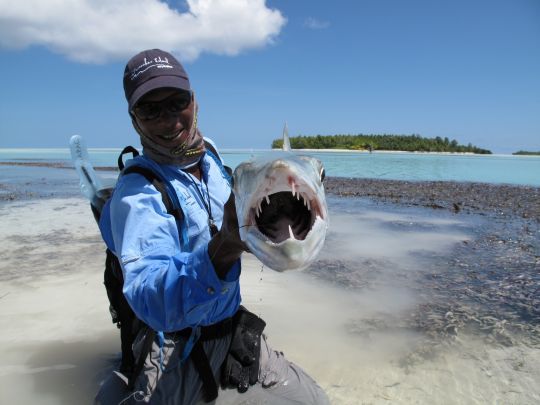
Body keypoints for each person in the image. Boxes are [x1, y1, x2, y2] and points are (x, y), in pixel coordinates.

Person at [95, 49, 330, 405]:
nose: (168, 118)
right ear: (134, 120)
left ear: (195, 102)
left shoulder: (212, 155)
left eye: (177, 102)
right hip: (171, 346)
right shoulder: (136, 195)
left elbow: (251, 198)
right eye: (150, 109)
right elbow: (148, 296)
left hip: (231, 327)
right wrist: (223, 250)